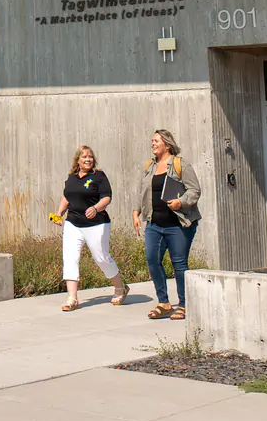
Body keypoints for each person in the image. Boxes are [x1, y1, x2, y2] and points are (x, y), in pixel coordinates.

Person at [135, 128, 203, 319]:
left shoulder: (181, 165)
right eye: (152, 141)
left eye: (156, 141)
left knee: (179, 263)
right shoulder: (150, 166)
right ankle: (163, 303)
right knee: (152, 260)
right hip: (154, 224)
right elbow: (142, 191)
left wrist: (180, 202)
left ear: (167, 144)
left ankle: (183, 304)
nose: (153, 144)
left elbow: (195, 190)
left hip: (178, 224)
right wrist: (136, 212)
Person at [58, 144, 128, 310]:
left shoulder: (99, 176)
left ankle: (120, 287)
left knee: (101, 257)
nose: (88, 159)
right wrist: (59, 213)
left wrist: (96, 208)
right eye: (84, 157)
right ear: (78, 160)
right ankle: (72, 298)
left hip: (96, 223)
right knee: (70, 257)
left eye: (90, 156)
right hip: (73, 223)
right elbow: (66, 197)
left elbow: (107, 197)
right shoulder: (72, 178)